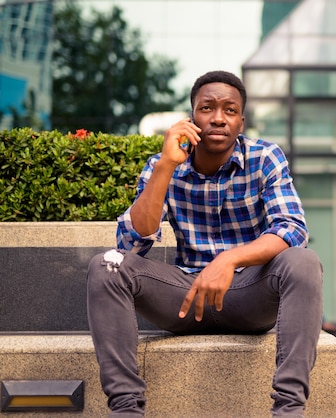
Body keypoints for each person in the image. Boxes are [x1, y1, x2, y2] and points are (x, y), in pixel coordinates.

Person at [86, 70, 323, 417]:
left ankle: (288, 411)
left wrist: (228, 260)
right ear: (191, 117)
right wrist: (167, 165)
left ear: (241, 122)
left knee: (302, 261)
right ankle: (126, 410)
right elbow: (131, 242)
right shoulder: (164, 164)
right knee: (107, 266)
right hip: (185, 297)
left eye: (229, 110)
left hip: (248, 293)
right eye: (207, 108)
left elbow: (291, 228)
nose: (218, 118)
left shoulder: (265, 158)